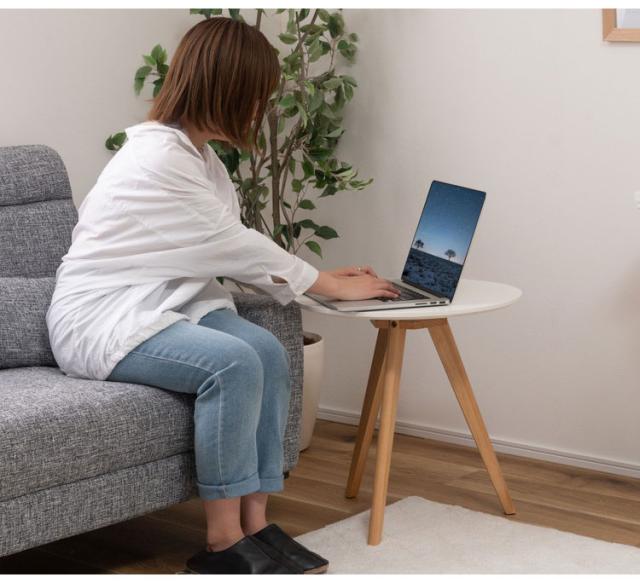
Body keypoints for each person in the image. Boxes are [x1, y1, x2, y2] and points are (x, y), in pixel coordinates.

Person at [46, 15, 401, 575]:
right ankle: (221, 543)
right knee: (233, 364)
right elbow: (232, 243)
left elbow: (222, 248)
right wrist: (327, 284)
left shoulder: (199, 157)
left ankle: (256, 525)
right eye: (256, 94)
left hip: (166, 303)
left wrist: (319, 278)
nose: (260, 108)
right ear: (225, 88)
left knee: (268, 351)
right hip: (103, 318)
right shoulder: (158, 159)